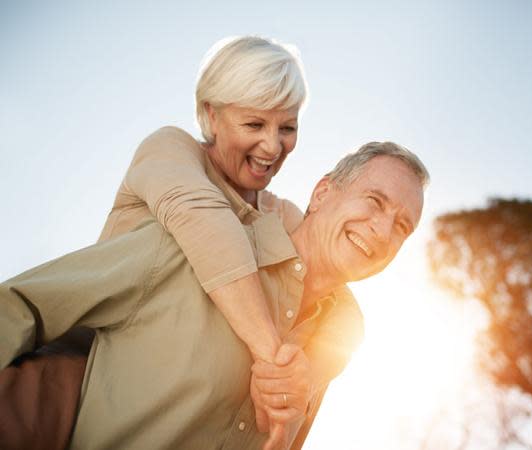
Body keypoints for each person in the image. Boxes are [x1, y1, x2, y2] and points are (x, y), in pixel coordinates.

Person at [0, 35, 343, 450]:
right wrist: (273, 359)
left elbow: (325, 278)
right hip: (69, 397)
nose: (273, 146)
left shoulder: (280, 214)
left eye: (287, 127)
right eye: (254, 124)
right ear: (211, 115)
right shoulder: (171, 152)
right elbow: (208, 225)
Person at [0, 142, 429, 449]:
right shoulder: (182, 249)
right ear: (322, 193)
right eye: (374, 201)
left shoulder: (331, 346)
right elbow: (18, 306)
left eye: (402, 226)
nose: (383, 230)